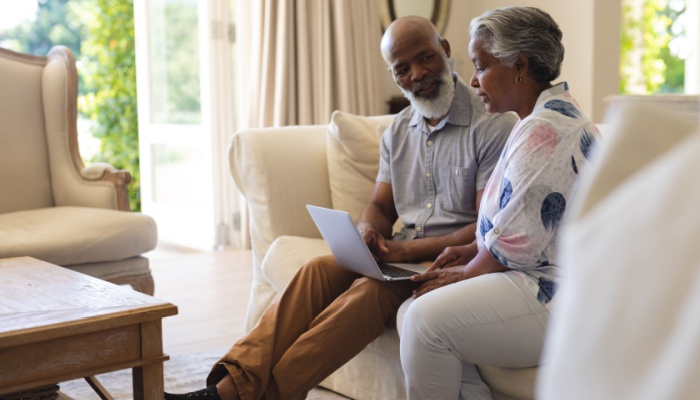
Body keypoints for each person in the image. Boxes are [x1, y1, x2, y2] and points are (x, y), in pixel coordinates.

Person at [165, 15, 517, 400]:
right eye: (402, 69)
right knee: (316, 269)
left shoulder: (492, 124)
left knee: (371, 292)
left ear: (445, 51)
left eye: (426, 58)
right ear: (394, 74)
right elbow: (380, 207)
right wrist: (367, 229)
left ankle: (260, 395)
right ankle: (224, 389)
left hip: (449, 265)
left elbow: (486, 228)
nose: (418, 73)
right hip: (399, 258)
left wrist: (404, 250)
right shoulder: (398, 132)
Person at [398, 6, 601, 400]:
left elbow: (516, 243)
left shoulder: (547, 130)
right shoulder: (538, 119)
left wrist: (467, 270)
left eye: (481, 66)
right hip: (534, 277)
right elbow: (515, 219)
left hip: (560, 293)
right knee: (413, 311)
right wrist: (472, 249)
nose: (472, 80)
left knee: (424, 319)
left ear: (520, 65)